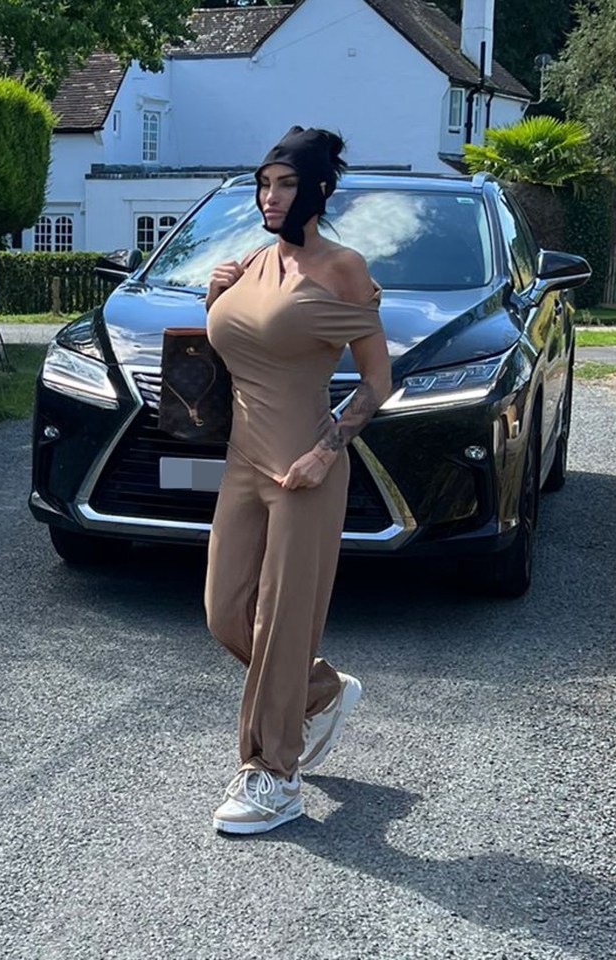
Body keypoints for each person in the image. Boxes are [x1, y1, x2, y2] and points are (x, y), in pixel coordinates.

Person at [204, 126, 392, 835]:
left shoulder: (342, 268)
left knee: (282, 624)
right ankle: (321, 691)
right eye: (263, 182)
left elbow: (378, 381)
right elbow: (239, 352)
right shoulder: (248, 262)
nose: (270, 195)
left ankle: (271, 775)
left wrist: (326, 450)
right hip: (243, 461)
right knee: (225, 613)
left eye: (284, 183)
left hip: (303, 469)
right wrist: (210, 296)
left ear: (318, 190)